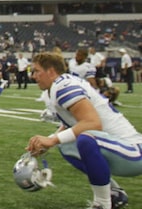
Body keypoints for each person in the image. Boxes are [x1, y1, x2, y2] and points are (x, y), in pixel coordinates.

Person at [26, 52, 142, 209]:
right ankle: (113, 193)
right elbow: (71, 124)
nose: (33, 76)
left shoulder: (63, 87)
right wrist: (49, 141)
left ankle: (102, 204)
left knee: (86, 139)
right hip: (118, 149)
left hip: (133, 152)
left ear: (51, 71)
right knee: (66, 144)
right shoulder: (58, 86)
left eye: (37, 71)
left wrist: (52, 140)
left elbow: (93, 123)